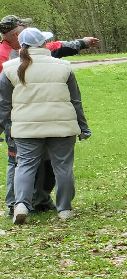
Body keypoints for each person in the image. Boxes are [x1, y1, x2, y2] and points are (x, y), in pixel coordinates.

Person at [1, 15, 97, 210]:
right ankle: (61, 208)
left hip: (25, 124)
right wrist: (83, 127)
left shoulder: (10, 67)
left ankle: (26, 203)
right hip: (57, 124)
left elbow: (4, 103)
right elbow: (75, 100)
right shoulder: (62, 66)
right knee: (58, 166)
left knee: (25, 165)